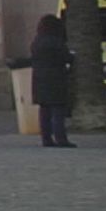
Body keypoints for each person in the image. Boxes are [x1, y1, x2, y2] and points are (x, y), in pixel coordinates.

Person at [30, 14, 76, 149]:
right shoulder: (56, 42)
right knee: (58, 111)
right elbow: (65, 58)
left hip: (39, 79)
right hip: (56, 79)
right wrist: (72, 56)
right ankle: (61, 139)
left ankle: (46, 139)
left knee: (44, 111)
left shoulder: (36, 42)